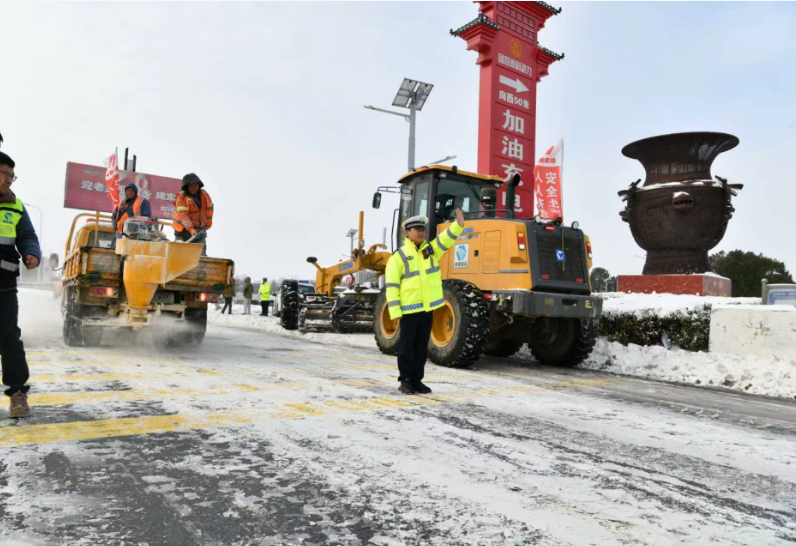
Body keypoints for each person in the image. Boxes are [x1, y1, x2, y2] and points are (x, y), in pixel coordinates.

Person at [384, 209, 465, 395]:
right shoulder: (399, 257)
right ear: (407, 233)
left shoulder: (430, 250)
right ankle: (405, 380)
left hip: (427, 309)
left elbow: (445, 240)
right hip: (408, 311)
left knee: (421, 348)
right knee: (406, 348)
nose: (420, 232)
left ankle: (416, 380)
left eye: (422, 228)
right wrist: (395, 313)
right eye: (415, 229)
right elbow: (392, 287)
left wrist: (458, 225)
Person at [0, 151, 42, 418]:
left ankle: (17, 393)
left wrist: (32, 253)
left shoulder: (15, 206)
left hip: (3, 285)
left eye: (12, 176)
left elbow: (27, 235)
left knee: (9, 339)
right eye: (5, 174)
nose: (9, 181)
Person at [172, 173, 213, 254]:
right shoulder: (181, 197)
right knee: (179, 256)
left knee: (200, 257)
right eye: (191, 185)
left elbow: (210, 209)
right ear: (186, 186)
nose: (193, 187)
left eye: (195, 185)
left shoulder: (204, 195)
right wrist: (191, 230)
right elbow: (183, 215)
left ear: (199, 185)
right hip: (183, 231)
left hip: (199, 230)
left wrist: (207, 224)